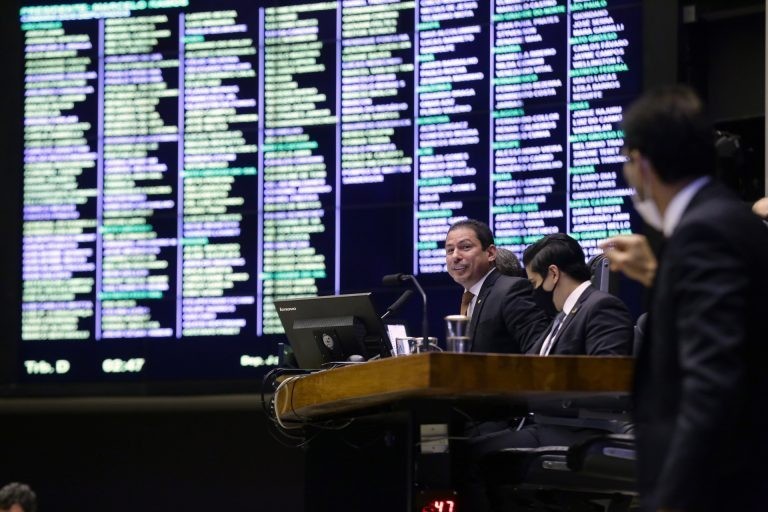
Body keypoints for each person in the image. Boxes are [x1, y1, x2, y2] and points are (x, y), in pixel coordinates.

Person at [600, 85, 768, 512]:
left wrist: (672, 498)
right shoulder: (726, 218)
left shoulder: (703, 233)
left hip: (718, 488)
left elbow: (712, 384)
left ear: (640, 164)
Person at [445, 219, 548, 353]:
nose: (455, 256)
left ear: (491, 253)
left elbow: (539, 350)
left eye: (465, 247)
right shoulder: (470, 297)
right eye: (450, 250)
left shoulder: (511, 290)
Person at [522, 233, 633, 356]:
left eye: (534, 282)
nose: (534, 290)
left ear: (553, 274)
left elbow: (606, 371)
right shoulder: (561, 317)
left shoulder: (603, 308)